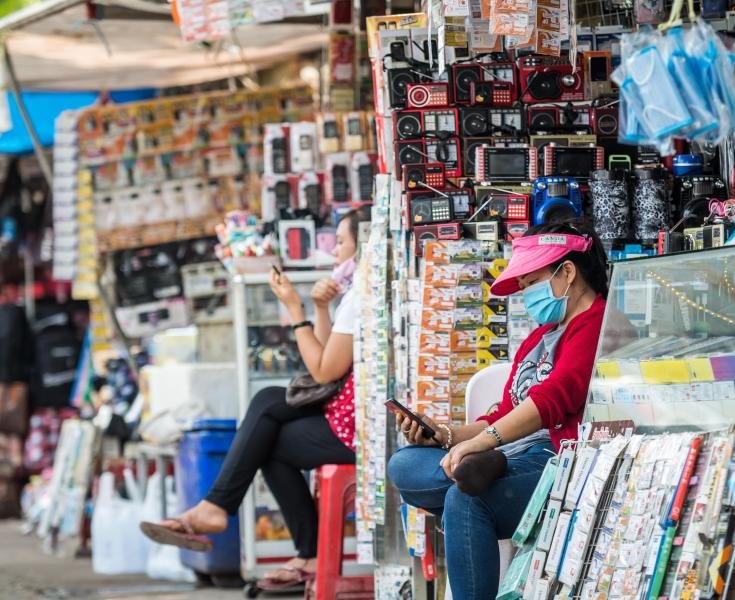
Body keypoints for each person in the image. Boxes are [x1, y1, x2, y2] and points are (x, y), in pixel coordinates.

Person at [140, 207, 370, 591]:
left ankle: (227, 514)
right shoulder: (353, 290)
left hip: (358, 423)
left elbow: (324, 371)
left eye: (341, 243)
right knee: (265, 408)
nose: (335, 252)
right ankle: (230, 515)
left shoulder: (361, 291)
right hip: (351, 408)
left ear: (361, 247)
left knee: (268, 436)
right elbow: (331, 356)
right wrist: (318, 307)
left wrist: (296, 310)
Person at [388, 222, 609, 600]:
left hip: (559, 459)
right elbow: (506, 409)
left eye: (531, 283)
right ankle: (482, 468)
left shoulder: (596, 324)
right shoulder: (541, 335)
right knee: (405, 466)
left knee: (465, 499)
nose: (526, 296)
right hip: (510, 447)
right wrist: (446, 436)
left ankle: (484, 469)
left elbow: (553, 399)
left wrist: (484, 443)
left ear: (567, 272)